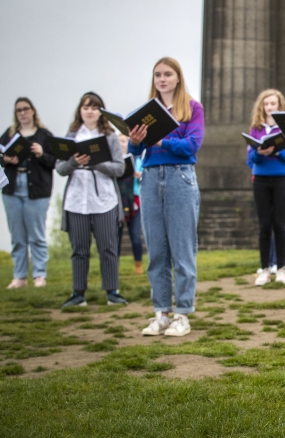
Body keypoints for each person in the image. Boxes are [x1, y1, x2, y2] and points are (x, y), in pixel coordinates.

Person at [130, 57, 205, 337]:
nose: (162, 79)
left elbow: (191, 145)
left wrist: (160, 140)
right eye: (157, 75)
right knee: (157, 252)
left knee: (182, 251)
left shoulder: (192, 108)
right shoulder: (147, 113)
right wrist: (136, 141)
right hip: (150, 178)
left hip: (180, 178)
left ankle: (182, 314)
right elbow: (136, 152)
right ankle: (161, 313)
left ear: (178, 78)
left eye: (167, 74)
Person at [56, 92, 127, 307]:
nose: (90, 111)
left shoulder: (110, 137)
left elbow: (120, 168)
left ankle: (112, 291)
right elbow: (60, 168)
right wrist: (74, 162)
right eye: (86, 107)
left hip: (104, 200)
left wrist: (96, 163)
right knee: (79, 249)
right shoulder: (71, 136)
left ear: (100, 112)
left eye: (94, 108)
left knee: (108, 247)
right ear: (80, 110)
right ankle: (78, 293)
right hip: (77, 200)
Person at [1, 98, 55, 288]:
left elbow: (55, 160)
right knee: (17, 235)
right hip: (12, 189)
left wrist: (41, 153)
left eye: (25, 109)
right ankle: (20, 276)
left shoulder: (44, 135)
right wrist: (6, 159)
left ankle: (39, 275)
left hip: (37, 189)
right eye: (18, 110)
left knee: (36, 234)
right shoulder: (8, 135)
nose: (22, 113)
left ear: (33, 111)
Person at [247, 88, 285, 286]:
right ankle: (265, 269)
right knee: (264, 225)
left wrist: (277, 152)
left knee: (279, 224)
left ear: (279, 106)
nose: (269, 107)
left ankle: (282, 268)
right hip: (260, 179)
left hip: (281, 179)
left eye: (273, 104)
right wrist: (260, 152)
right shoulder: (256, 128)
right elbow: (250, 159)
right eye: (266, 104)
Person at [116, 134, 144, 275]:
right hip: (118, 201)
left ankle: (138, 264)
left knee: (135, 235)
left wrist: (140, 175)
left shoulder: (137, 159)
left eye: (124, 141)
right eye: (119, 141)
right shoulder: (113, 161)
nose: (122, 144)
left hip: (134, 202)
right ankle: (114, 267)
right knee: (116, 238)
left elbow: (144, 174)